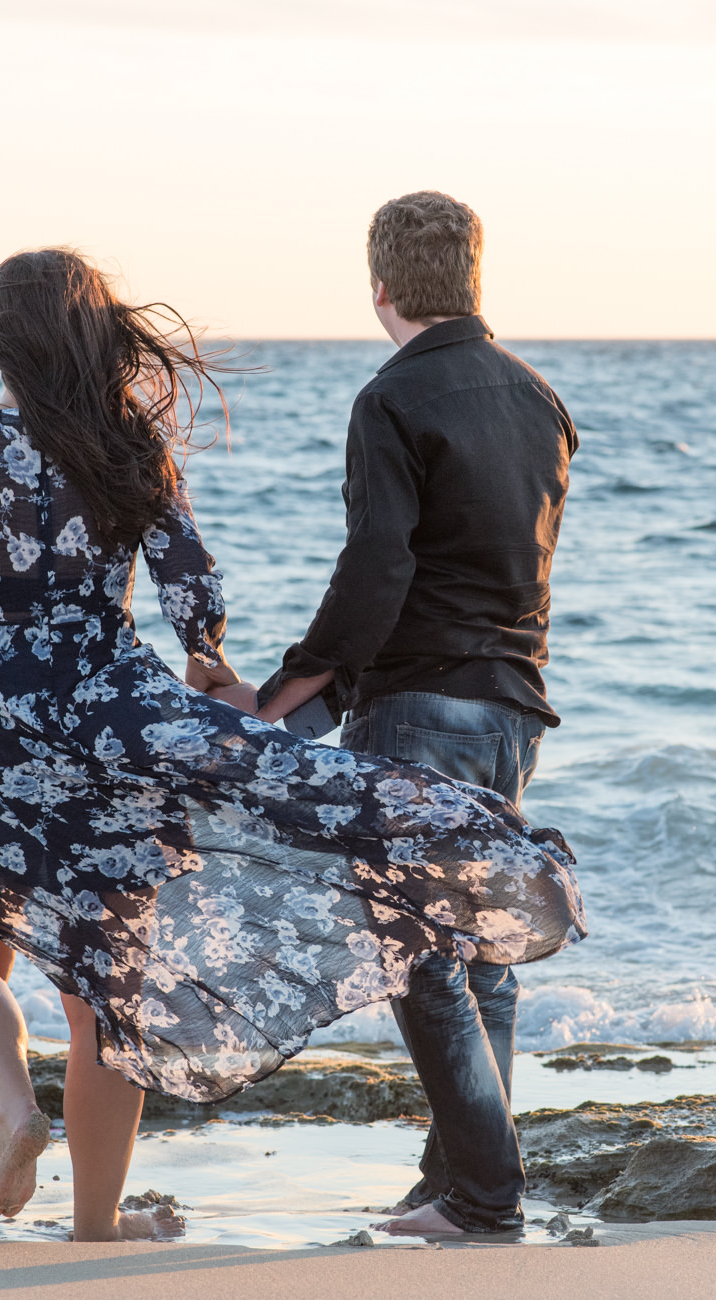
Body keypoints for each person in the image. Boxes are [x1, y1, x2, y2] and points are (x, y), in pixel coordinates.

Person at [0, 247, 582, 1242]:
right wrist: (212, 664)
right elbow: (189, 584)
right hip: (117, 735)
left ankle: (15, 1113)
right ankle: (94, 1221)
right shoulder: (131, 444)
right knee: (100, 1003)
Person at [258, 192, 578, 1237]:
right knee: (478, 948)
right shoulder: (539, 399)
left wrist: (291, 685)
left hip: (420, 709)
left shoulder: (388, 401)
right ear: (473, 280)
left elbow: (380, 565)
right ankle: (454, 1184)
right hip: (511, 710)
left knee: (417, 953)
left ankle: (483, 1195)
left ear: (380, 287)